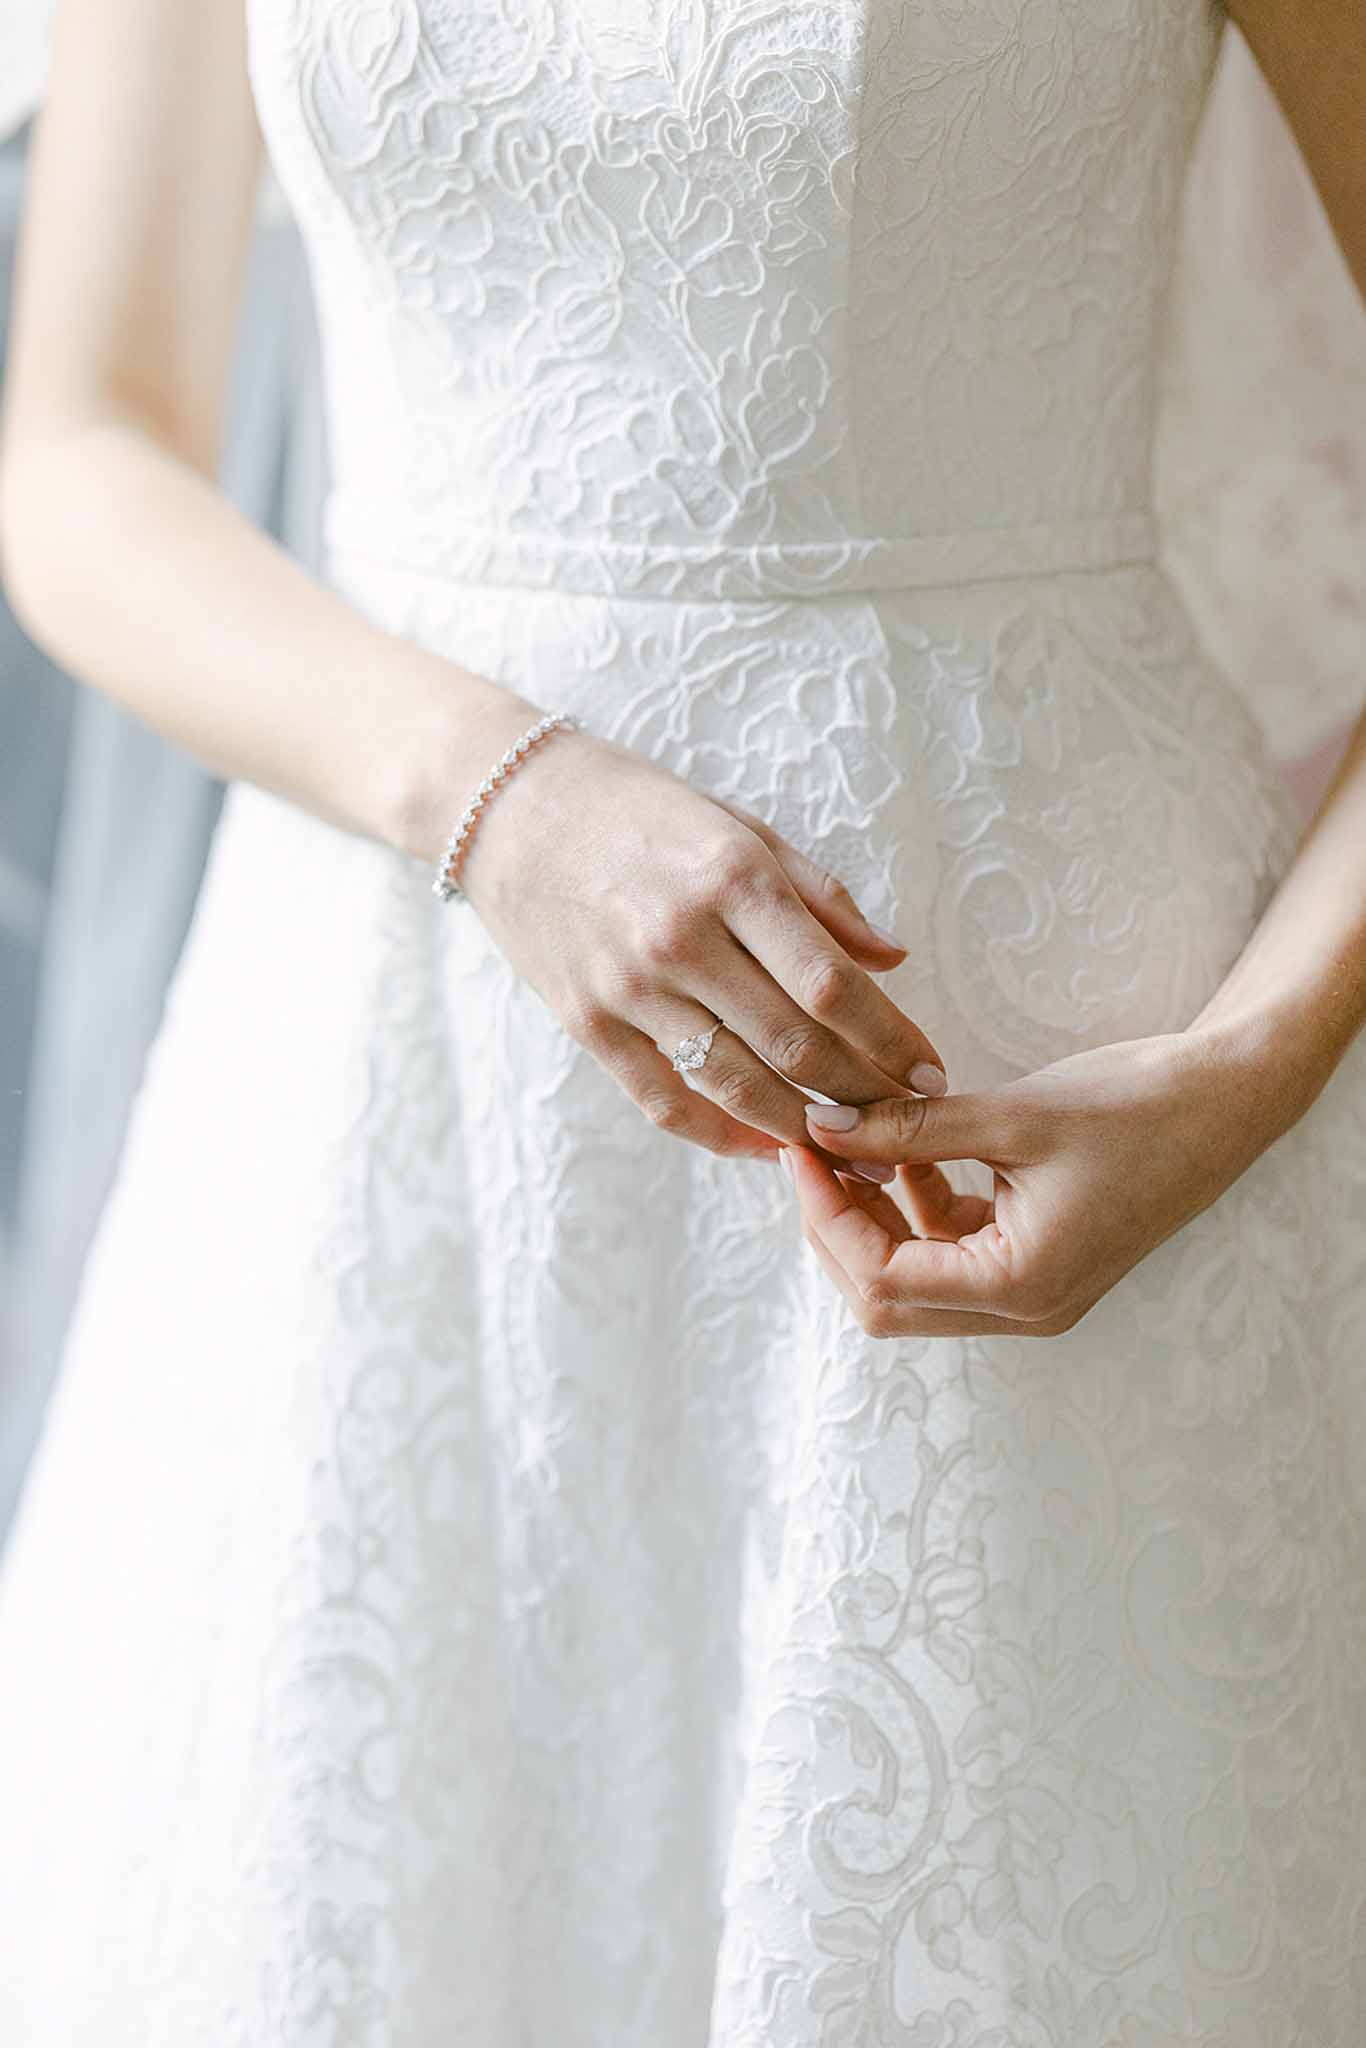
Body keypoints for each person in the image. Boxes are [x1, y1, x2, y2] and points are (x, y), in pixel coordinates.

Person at [1, 0, 1364, 2040]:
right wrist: (494, 792)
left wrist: (1241, 1070)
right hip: (389, 1067)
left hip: (1037, 1088)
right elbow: (81, 457)